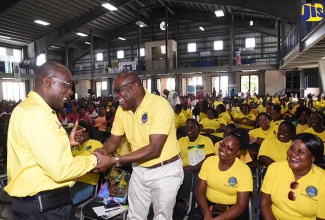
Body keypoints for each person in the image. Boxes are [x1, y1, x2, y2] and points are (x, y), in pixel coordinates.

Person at [4, 61, 101, 219]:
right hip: (43, 208)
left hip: (40, 205)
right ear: (48, 82)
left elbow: (37, 152)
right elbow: (60, 170)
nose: (70, 92)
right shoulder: (35, 114)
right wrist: (95, 159)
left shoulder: (32, 109)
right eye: (67, 85)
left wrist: (67, 143)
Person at [93, 71, 184, 220]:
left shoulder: (159, 105)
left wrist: (114, 160)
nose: (116, 96)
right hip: (140, 169)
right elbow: (114, 140)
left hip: (165, 170)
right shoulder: (123, 110)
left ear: (134, 86)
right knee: (134, 216)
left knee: (161, 217)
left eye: (118, 90)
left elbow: (154, 149)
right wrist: (103, 151)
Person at [188, 128, 252, 220]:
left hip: (233, 210)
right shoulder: (209, 161)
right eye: (222, 144)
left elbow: (241, 205)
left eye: (229, 148)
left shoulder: (244, 170)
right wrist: (207, 214)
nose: (223, 149)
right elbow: (199, 191)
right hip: (208, 207)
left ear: (238, 152)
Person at [260, 133, 325, 220]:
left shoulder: (322, 179)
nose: (293, 154)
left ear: (313, 158)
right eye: (292, 148)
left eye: (300, 151)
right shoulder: (275, 168)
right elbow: (265, 203)